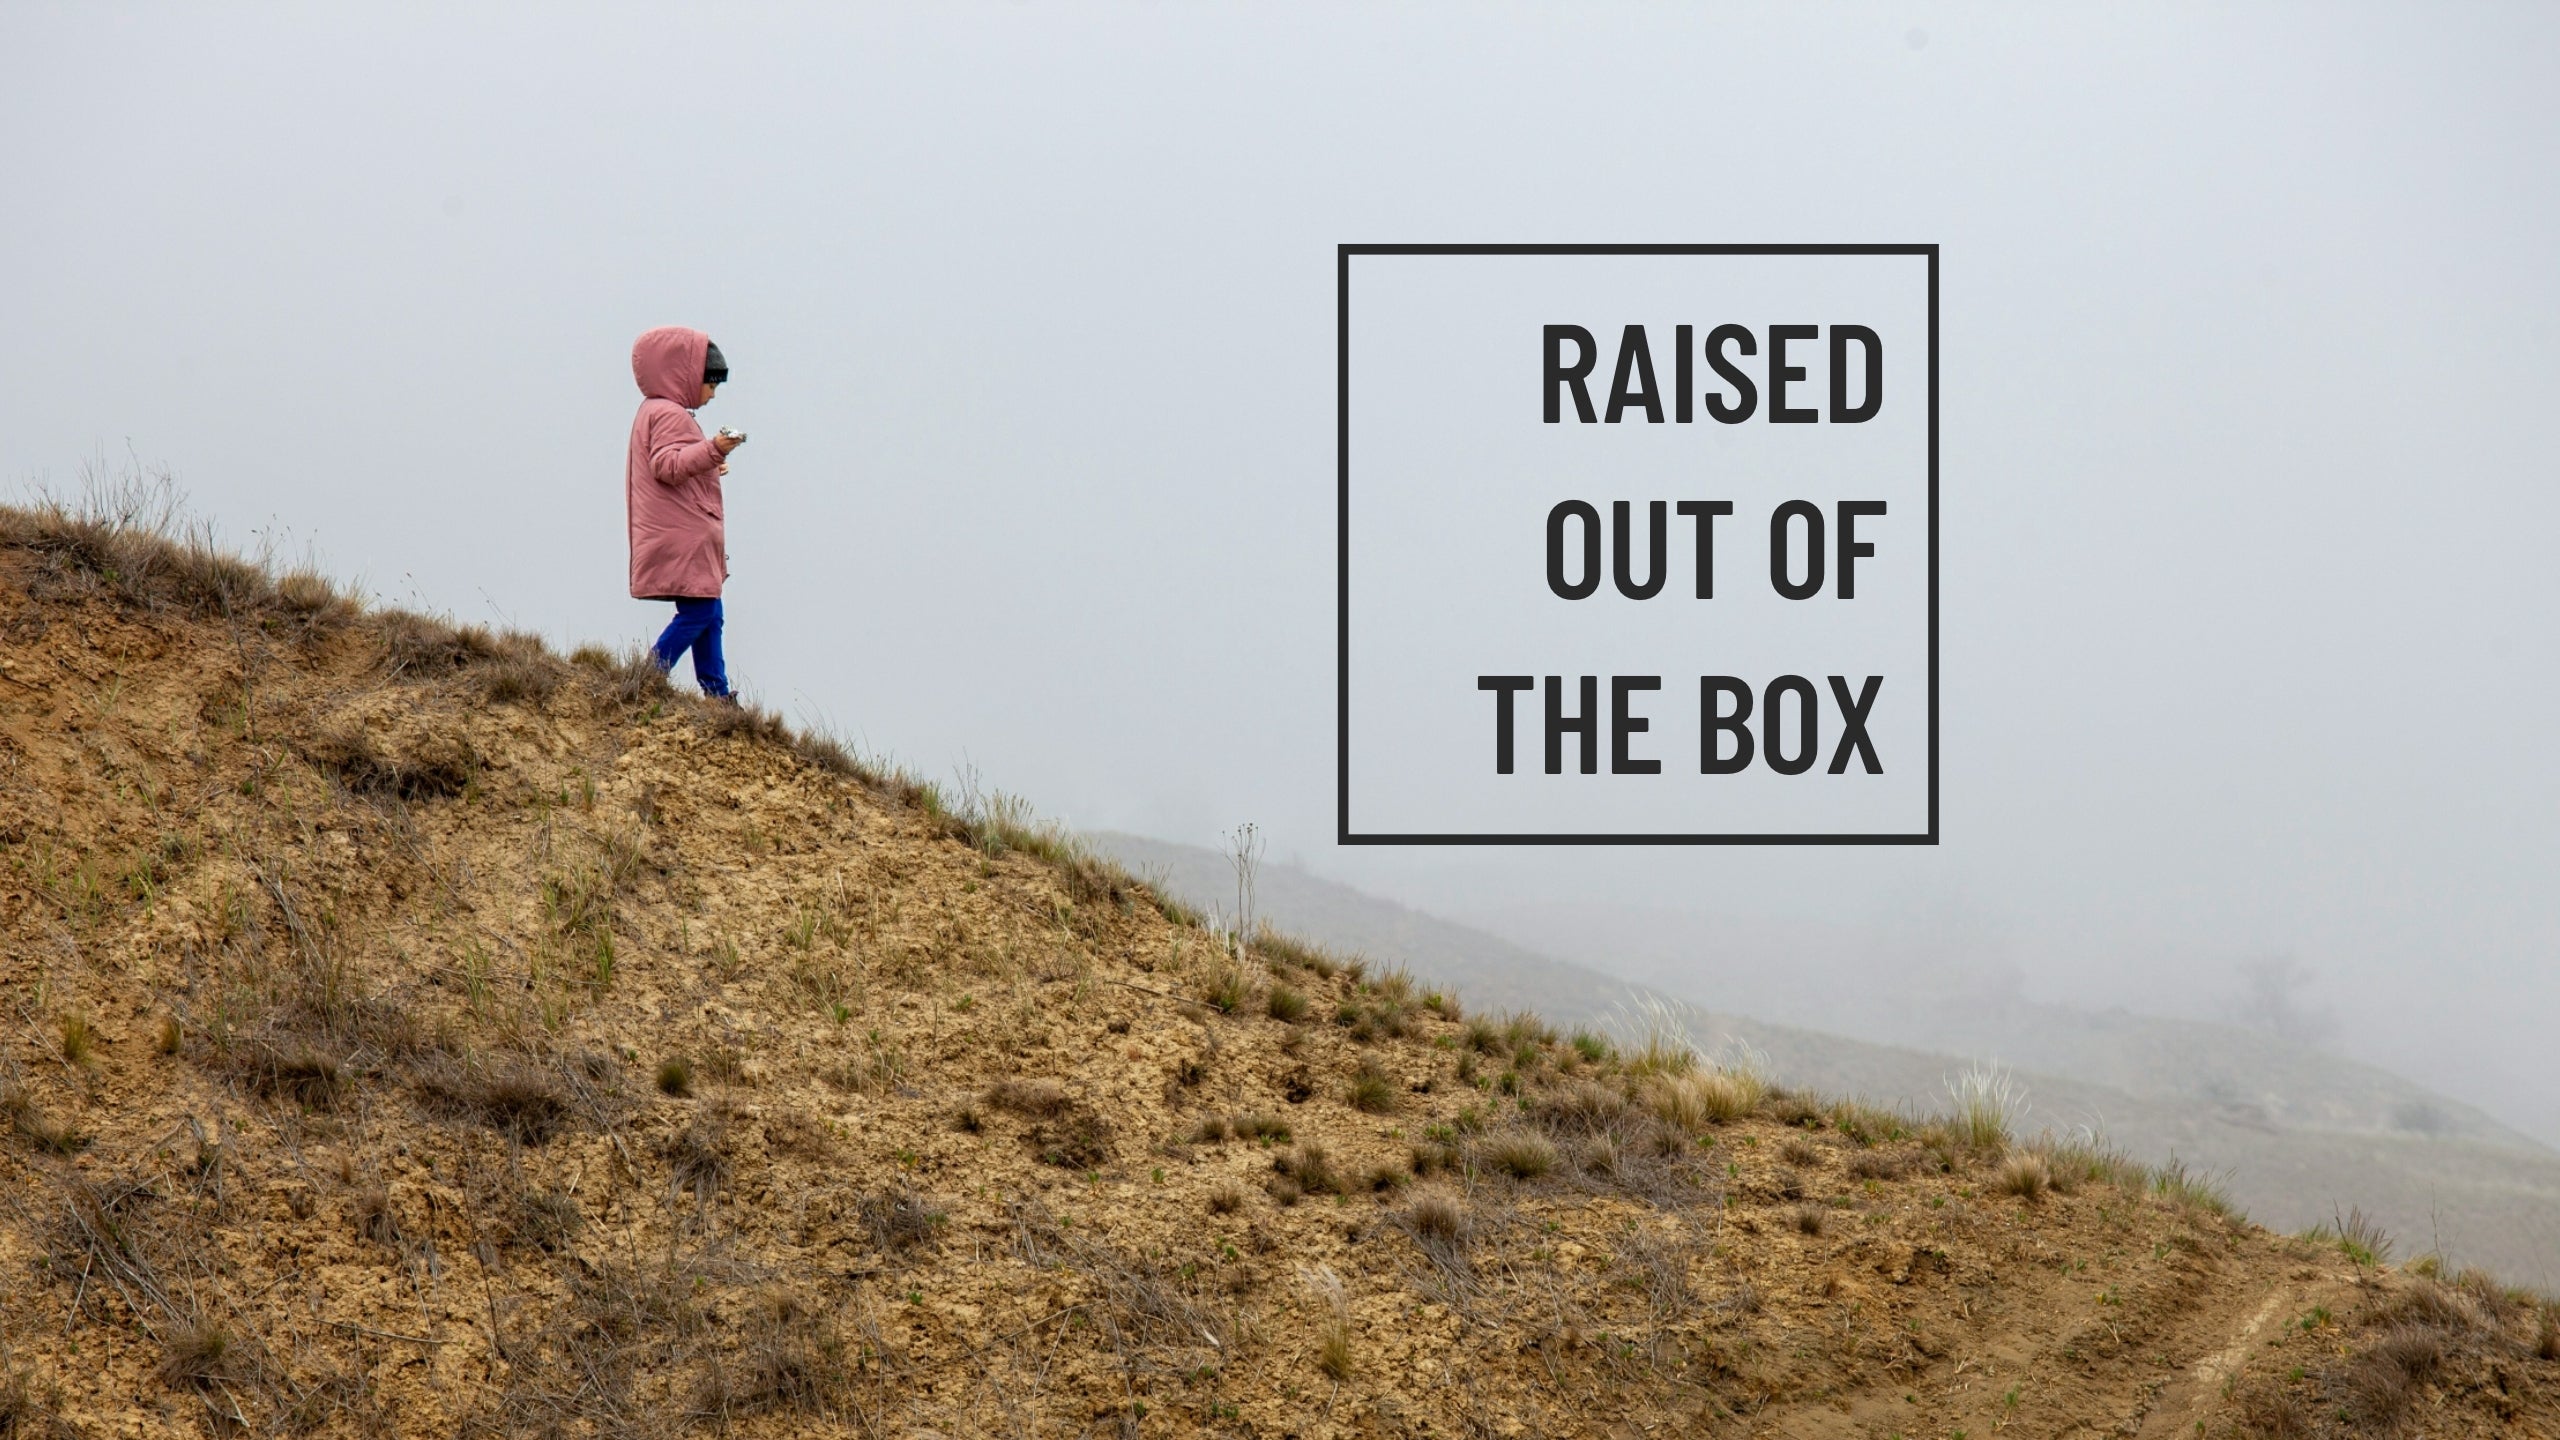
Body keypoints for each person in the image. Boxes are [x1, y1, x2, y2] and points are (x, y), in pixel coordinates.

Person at [626, 326, 744, 699]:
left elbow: (675, 465)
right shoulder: (669, 414)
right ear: (689, 376)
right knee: (699, 613)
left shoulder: (657, 411)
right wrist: (714, 450)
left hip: (680, 532)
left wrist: (709, 464)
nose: (712, 394)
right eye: (711, 384)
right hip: (684, 535)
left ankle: (718, 695)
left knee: (710, 612)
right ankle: (648, 677)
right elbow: (667, 465)